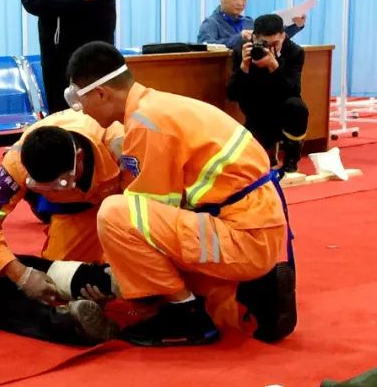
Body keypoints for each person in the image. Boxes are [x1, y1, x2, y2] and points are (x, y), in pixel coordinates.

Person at [65, 41, 296, 347]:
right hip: (257, 225)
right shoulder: (160, 106)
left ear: (101, 94)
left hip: (244, 235)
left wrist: (118, 271)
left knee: (115, 214)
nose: (82, 110)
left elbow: (146, 215)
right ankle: (250, 293)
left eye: (79, 100)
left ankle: (183, 314)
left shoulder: (146, 124)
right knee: (178, 272)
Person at [0, 111, 124, 298]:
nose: (54, 191)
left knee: (139, 277)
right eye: (43, 187)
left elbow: (146, 206)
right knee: (59, 283)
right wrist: (20, 274)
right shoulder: (16, 163)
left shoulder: (119, 143)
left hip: (124, 204)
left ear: (79, 157)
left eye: (61, 184)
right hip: (74, 210)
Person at [228, 14, 308, 173]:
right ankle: (269, 148)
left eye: (275, 43)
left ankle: (291, 158)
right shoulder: (243, 51)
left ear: (283, 36)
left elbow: (293, 91)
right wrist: (244, 68)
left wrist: (274, 67)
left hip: (282, 107)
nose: (270, 48)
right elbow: (232, 94)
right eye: (265, 44)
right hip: (256, 111)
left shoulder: (294, 52)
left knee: (297, 107)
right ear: (254, 38)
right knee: (251, 164)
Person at [197, 0, 305, 47]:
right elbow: (205, 47)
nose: (240, 3)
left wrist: (296, 25)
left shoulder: (248, 22)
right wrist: (239, 37)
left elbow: (271, 38)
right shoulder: (211, 23)